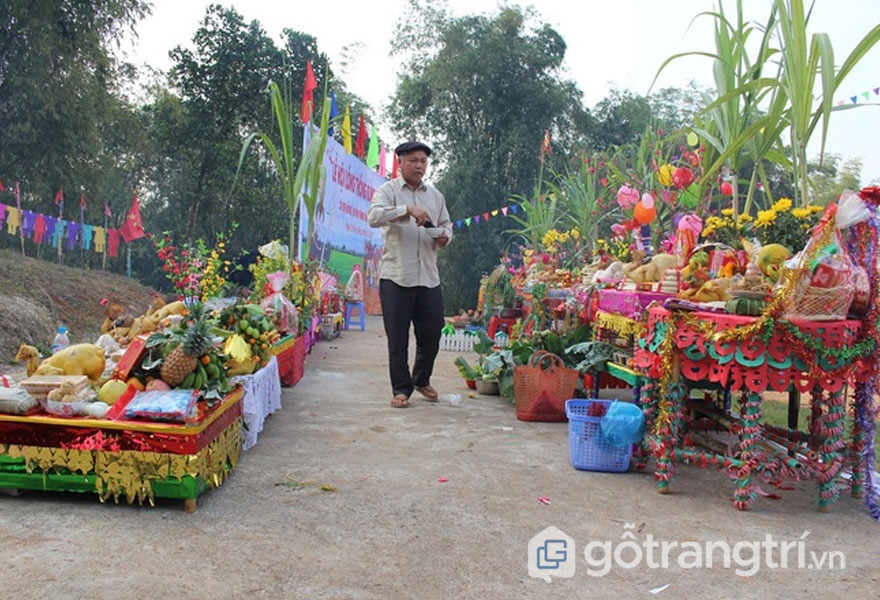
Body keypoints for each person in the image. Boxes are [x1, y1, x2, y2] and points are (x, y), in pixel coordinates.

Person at [367, 141, 453, 408]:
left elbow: (447, 225)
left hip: (428, 275)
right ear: (401, 163)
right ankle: (402, 389)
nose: (419, 166)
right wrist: (407, 209)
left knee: (433, 332)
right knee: (398, 336)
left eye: (423, 161)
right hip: (396, 275)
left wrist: (444, 236)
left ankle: (422, 378)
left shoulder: (436, 196)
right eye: (413, 160)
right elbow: (374, 216)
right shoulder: (387, 191)